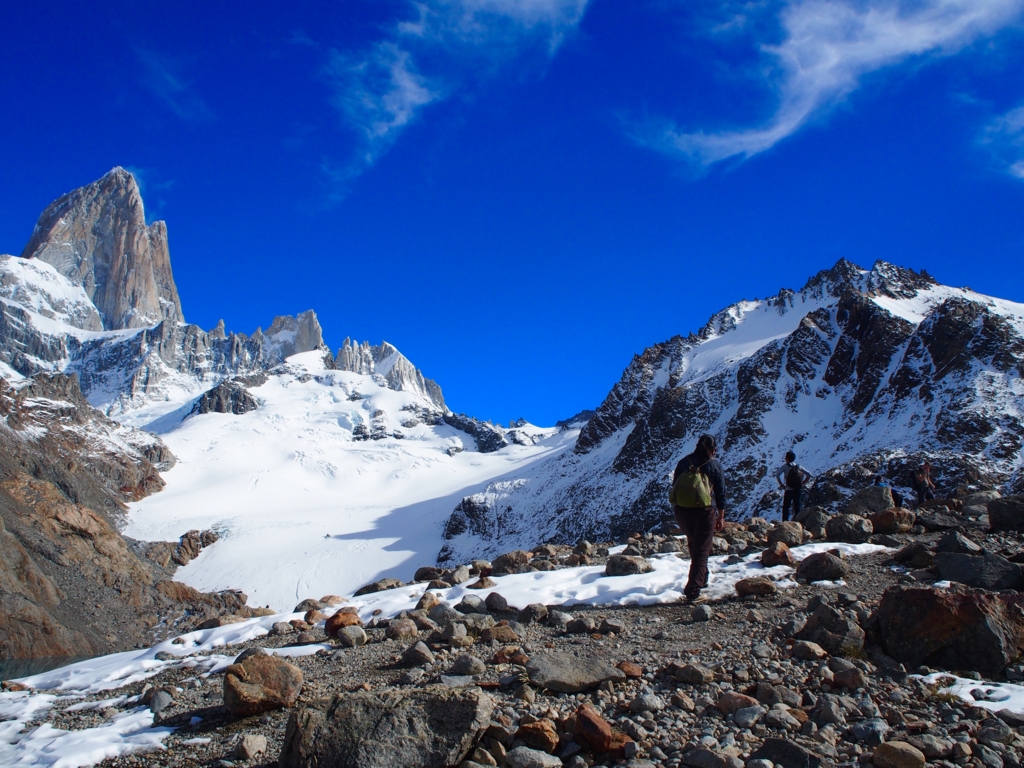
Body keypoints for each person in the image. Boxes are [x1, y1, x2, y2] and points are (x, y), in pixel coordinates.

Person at [669, 434, 726, 603]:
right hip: (704, 512)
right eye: (715, 450)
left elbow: (675, 487)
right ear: (711, 450)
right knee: (702, 550)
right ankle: (693, 591)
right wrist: (720, 516)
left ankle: (703, 578)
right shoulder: (714, 465)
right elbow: (721, 493)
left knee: (694, 544)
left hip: (682, 512)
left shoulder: (684, 462)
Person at [775, 451, 811, 522]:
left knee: (786, 507)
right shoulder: (798, 466)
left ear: (787, 458)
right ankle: (798, 522)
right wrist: (802, 483)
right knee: (797, 506)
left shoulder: (785, 466)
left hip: (788, 489)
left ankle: (785, 521)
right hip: (797, 489)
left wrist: (782, 485)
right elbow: (809, 474)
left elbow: (777, 475)